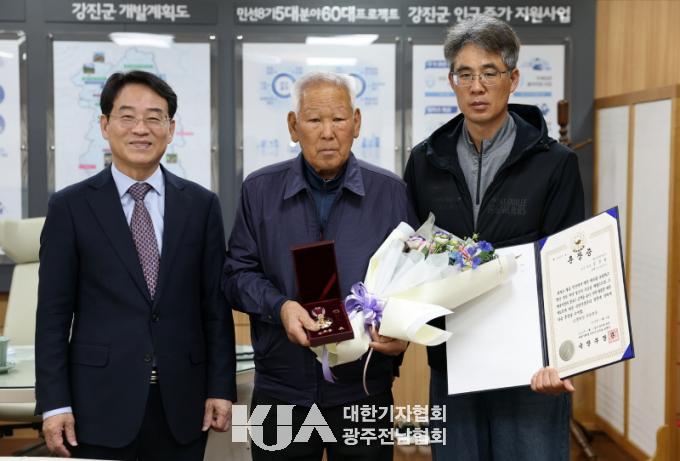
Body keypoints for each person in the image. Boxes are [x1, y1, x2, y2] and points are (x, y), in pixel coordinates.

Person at [404, 15, 584, 461]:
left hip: (529, 370)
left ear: (513, 79)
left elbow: (569, 267)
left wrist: (563, 359)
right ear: (452, 81)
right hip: (452, 359)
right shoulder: (424, 161)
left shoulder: (554, 163)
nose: (477, 87)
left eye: (489, 73)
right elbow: (409, 256)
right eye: (465, 75)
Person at [35, 70, 236, 460]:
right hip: (98, 403)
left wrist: (220, 387)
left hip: (183, 402)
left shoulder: (201, 206)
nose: (141, 129)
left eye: (154, 117)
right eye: (127, 117)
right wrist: (55, 403)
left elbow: (215, 307)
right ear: (105, 125)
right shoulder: (70, 207)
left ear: (171, 129)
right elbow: (53, 316)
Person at [223, 72, 414, 460]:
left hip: (363, 388)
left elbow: (409, 281)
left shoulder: (391, 192)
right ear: (294, 126)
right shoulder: (259, 190)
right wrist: (280, 307)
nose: (328, 132)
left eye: (338, 119)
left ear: (356, 123)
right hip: (280, 388)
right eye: (314, 120)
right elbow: (236, 274)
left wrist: (402, 335)